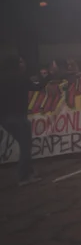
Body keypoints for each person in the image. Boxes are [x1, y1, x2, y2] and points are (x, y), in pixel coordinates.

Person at [0, 56, 49, 186]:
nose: (23, 64)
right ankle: (24, 176)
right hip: (18, 118)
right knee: (26, 146)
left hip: (4, 119)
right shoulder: (20, 77)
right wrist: (50, 75)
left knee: (24, 144)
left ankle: (29, 171)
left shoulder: (3, 78)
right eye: (20, 62)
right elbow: (38, 87)